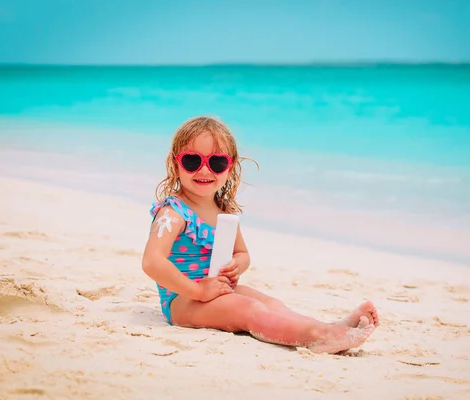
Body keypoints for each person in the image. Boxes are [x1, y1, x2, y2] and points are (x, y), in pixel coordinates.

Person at [141, 116, 379, 354]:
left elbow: (242, 253)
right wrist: (199, 291)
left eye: (217, 163)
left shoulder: (223, 211)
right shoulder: (174, 212)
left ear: (230, 167)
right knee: (248, 310)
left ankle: (327, 327)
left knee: (270, 304)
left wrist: (236, 265)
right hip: (182, 301)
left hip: (217, 291)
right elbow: (152, 262)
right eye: (192, 161)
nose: (205, 169)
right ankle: (317, 336)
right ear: (175, 164)